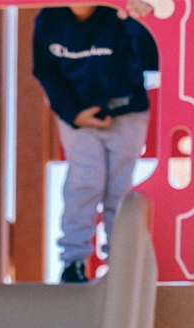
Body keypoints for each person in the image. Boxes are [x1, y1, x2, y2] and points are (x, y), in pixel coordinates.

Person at [33, 3, 159, 281]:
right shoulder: (49, 20)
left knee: (118, 188)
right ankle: (73, 261)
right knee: (85, 181)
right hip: (78, 114)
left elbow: (152, 57)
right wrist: (73, 113)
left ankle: (120, 260)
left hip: (126, 112)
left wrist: (140, 17)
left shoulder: (118, 13)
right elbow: (46, 71)